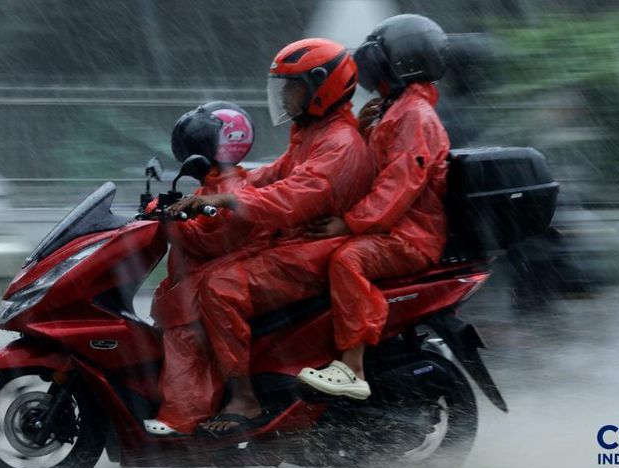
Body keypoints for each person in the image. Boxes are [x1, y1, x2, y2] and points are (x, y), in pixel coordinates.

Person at [168, 38, 374, 435]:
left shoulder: (340, 143)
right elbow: (274, 174)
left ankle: (245, 399)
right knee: (215, 271)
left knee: (220, 288)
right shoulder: (313, 133)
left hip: (317, 247)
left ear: (321, 87)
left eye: (293, 87)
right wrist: (213, 190)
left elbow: (293, 196)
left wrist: (230, 198)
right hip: (299, 242)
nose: (285, 97)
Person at [296, 14, 452, 400]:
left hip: (409, 236)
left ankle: (352, 367)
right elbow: (372, 168)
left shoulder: (414, 115)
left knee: (348, 260)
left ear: (399, 62)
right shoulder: (394, 109)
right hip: (391, 227)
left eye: (375, 58)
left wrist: (348, 224)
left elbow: (398, 186)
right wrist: (366, 129)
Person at [143, 101, 267, 436]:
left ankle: (183, 415)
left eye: (194, 145)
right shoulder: (211, 186)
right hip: (211, 271)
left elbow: (213, 243)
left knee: (185, 327)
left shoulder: (234, 187)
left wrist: (172, 222)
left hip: (228, 271)